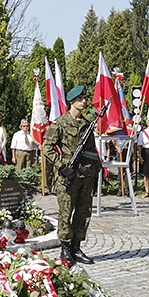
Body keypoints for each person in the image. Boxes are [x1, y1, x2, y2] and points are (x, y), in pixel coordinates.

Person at [42, 85, 101, 265]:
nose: (84, 101)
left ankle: (76, 248)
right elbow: (46, 148)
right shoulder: (60, 123)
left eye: (85, 98)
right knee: (66, 212)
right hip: (67, 175)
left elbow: (91, 150)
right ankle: (65, 249)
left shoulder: (87, 125)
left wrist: (95, 169)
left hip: (85, 175)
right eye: (81, 99)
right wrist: (61, 166)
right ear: (72, 101)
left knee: (83, 212)